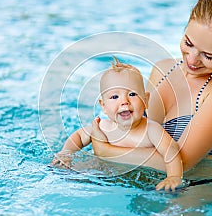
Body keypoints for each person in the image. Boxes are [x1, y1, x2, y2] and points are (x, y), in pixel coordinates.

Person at [90, 0, 212, 174]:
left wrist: (105, 150)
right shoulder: (163, 69)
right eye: (188, 43)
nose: (192, 60)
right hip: (142, 182)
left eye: (208, 56)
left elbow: (181, 163)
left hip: (193, 193)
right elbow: (138, 136)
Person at [52, 57, 183, 191]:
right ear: (103, 106)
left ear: (145, 100)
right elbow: (79, 137)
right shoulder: (103, 127)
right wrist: (66, 153)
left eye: (132, 94)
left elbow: (171, 150)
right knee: (65, 172)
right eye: (115, 97)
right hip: (101, 175)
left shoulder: (151, 130)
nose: (124, 101)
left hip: (141, 183)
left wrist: (174, 176)